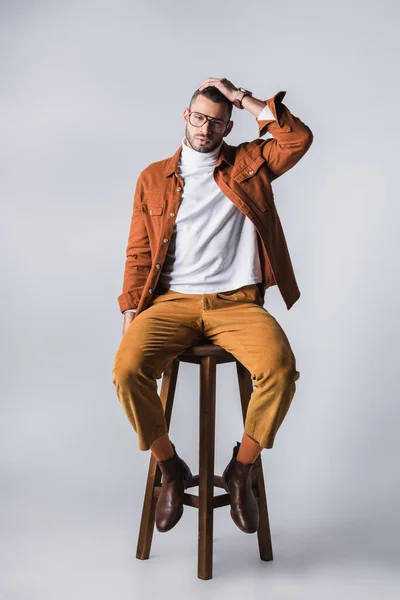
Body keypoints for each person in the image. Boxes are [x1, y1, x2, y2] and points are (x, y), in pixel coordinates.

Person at [112, 77, 313, 535]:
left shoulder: (249, 162)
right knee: (127, 371)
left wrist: (242, 97)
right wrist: (130, 315)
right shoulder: (153, 177)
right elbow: (139, 253)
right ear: (186, 116)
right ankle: (171, 469)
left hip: (237, 303)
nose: (206, 129)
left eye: (218, 123)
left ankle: (241, 469)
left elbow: (296, 138)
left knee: (280, 369)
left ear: (228, 127)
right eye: (200, 118)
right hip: (170, 302)